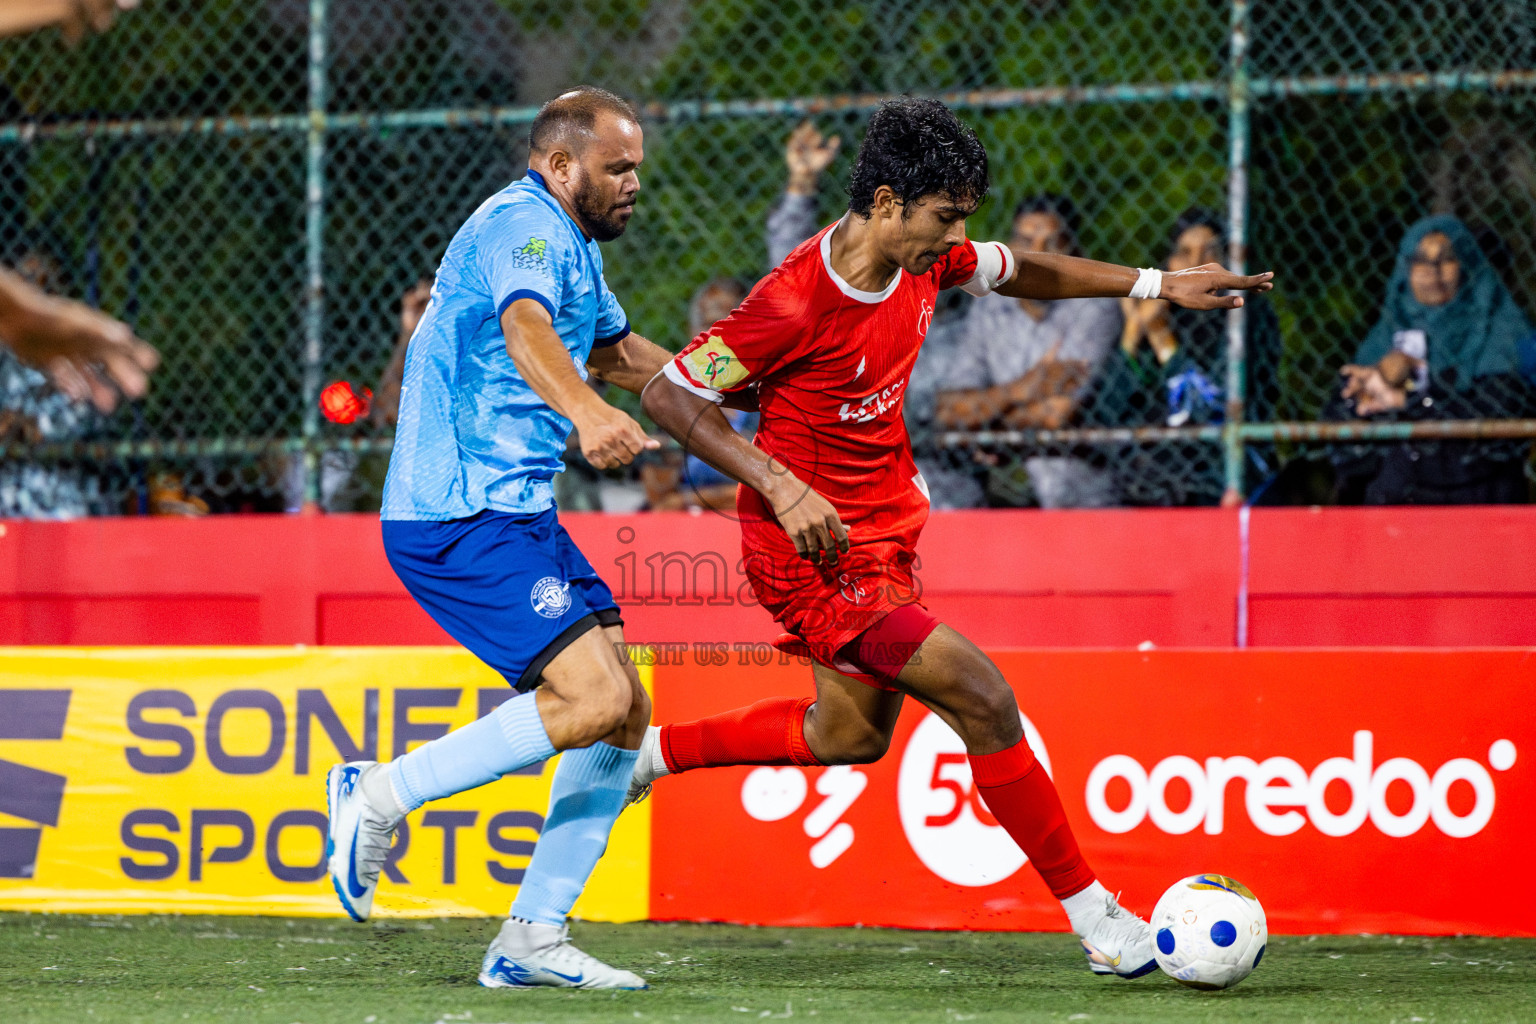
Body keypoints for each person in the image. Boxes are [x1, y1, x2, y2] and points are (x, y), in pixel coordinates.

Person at [633, 99, 1273, 979]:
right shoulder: (793, 298)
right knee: (985, 698)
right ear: (887, 202)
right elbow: (670, 393)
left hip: (883, 533)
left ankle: (648, 755)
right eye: (945, 217)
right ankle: (1099, 921)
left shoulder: (926, 257)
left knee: (848, 737)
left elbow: (1022, 269)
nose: (958, 238)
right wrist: (779, 485)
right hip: (812, 555)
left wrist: (1158, 284)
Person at [325, 87, 691, 991]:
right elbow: (524, 326)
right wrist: (587, 413)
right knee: (596, 699)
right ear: (561, 165)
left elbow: (620, 354)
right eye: (617, 167)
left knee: (624, 710)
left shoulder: (576, 246)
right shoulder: (521, 226)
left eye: (638, 167)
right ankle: (378, 793)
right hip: (455, 515)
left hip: (516, 514)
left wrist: (743, 380)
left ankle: (531, 940)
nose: (634, 183)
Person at [766, 119, 985, 509]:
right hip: (841, 476)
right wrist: (802, 184)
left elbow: (962, 406)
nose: (953, 239)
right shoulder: (837, 293)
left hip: (941, 480)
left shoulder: (967, 321)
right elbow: (794, 266)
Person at [1327, 215, 1536, 504]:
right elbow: (1340, 439)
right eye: (1420, 260)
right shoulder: (1384, 338)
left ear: (1467, 265)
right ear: (1406, 268)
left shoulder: (1502, 337)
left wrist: (1408, 402)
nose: (1432, 271)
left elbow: (1497, 430)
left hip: (1480, 505)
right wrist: (1371, 392)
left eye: (1447, 259)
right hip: (1393, 508)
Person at [1080, 208, 1282, 506]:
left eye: (1210, 253)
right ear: (1170, 264)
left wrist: (1163, 340)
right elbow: (1105, 412)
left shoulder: (1247, 317)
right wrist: (1133, 336)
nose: (1197, 266)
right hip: (1145, 479)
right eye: (1185, 253)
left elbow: (1214, 410)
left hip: (1218, 474)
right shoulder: (1157, 313)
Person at [932, 194, 1122, 507]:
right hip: (1004, 493)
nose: (1037, 256)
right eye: (1025, 241)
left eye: (1052, 243)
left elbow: (1055, 414)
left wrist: (985, 427)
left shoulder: (1095, 305)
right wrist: (1024, 388)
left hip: (1087, 493)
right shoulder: (990, 307)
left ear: (1074, 253)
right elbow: (949, 410)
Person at [639, 276, 756, 512]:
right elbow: (660, 499)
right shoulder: (674, 400)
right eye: (706, 324)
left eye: (725, 325)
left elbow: (782, 488)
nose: (712, 336)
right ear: (691, 331)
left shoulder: (768, 399)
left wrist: (692, 500)